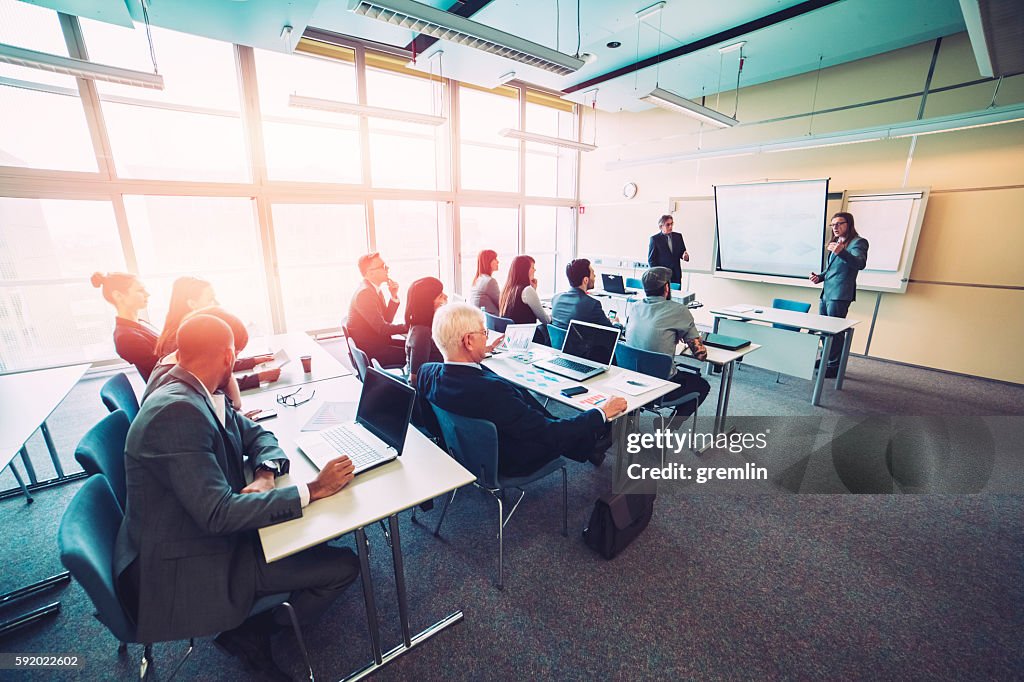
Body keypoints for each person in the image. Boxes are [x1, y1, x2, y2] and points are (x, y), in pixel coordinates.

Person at [113, 314, 359, 679]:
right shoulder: (177, 411)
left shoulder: (189, 385)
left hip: (184, 527)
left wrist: (265, 474)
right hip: (191, 563)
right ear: (229, 358)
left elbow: (256, 434)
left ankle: (258, 617)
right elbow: (219, 515)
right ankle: (252, 629)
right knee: (345, 565)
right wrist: (313, 489)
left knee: (311, 531)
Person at [417, 303, 627, 477]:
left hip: (466, 452)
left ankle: (588, 446)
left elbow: (432, 425)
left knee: (523, 395)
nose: (487, 337)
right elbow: (547, 434)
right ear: (469, 341)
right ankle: (590, 442)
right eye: (484, 332)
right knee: (554, 426)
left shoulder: (427, 373)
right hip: (508, 460)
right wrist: (600, 413)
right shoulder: (492, 392)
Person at [154, 276, 278, 390]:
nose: (217, 304)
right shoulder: (184, 339)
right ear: (192, 304)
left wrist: (253, 361)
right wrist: (258, 378)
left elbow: (214, 362)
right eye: (210, 299)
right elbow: (211, 382)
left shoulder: (184, 331)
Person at [625, 267, 711, 416]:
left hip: (630, 381)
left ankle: (630, 421)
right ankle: (670, 428)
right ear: (666, 287)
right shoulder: (679, 310)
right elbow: (700, 356)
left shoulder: (634, 307)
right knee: (702, 385)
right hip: (660, 387)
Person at [809, 212, 869, 378]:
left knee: (835, 331)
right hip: (826, 293)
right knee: (824, 330)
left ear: (849, 224)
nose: (835, 227)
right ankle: (827, 358)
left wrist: (841, 251)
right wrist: (819, 277)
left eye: (839, 224)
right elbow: (832, 269)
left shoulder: (858, 242)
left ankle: (834, 366)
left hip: (840, 294)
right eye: (833, 224)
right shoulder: (836, 242)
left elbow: (859, 263)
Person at [92, 271, 160, 381]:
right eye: (140, 290)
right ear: (118, 296)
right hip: (172, 388)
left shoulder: (139, 323)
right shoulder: (126, 337)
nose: (147, 294)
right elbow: (163, 367)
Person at [346, 252, 407, 367]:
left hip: (379, 343)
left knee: (417, 347)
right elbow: (382, 329)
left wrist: (393, 296)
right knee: (424, 352)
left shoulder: (374, 290)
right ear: (371, 273)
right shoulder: (365, 293)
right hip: (374, 351)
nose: (387, 268)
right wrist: (409, 326)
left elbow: (386, 320)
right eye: (383, 266)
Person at [404, 276, 447, 385]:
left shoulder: (426, 325)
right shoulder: (422, 333)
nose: (446, 297)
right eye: (441, 296)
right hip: (433, 390)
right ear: (427, 303)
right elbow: (415, 379)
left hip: (439, 379)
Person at [498, 255, 551, 343]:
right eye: (532, 267)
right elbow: (545, 320)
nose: (535, 270)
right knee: (548, 328)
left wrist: (533, 290)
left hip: (512, 338)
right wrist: (554, 315)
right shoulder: (527, 290)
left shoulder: (507, 289)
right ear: (525, 271)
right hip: (527, 338)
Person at [550, 258, 613, 329]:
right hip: (579, 340)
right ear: (586, 280)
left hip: (557, 340)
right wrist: (616, 323)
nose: (595, 276)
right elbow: (612, 332)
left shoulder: (556, 298)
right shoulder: (592, 304)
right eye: (593, 273)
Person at [647, 214, 689, 285]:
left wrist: (685, 256)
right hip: (662, 277)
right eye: (668, 225)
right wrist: (658, 274)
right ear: (661, 227)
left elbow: (682, 252)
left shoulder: (678, 237)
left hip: (676, 275)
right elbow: (651, 260)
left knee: (677, 295)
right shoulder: (655, 239)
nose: (671, 227)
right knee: (663, 296)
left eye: (672, 224)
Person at [469, 249, 501, 315]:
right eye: (495, 259)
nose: (498, 261)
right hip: (495, 321)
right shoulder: (490, 281)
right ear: (488, 262)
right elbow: (502, 304)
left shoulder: (478, 279)